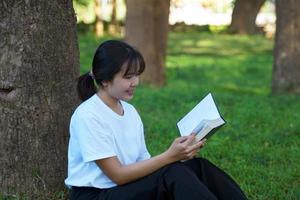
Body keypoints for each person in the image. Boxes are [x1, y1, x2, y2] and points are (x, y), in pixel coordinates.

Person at [65, 40, 247, 200]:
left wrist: (180, 155)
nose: (135, 82)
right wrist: (169, 157)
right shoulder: (88, 115)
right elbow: (117, 175)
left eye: (137, 75)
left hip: (123, 188)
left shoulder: (129, 111)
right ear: (105, 80)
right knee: (172, 173)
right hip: (98, 194)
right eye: (128, 77)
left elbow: (143, 162)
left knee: (198, 167)